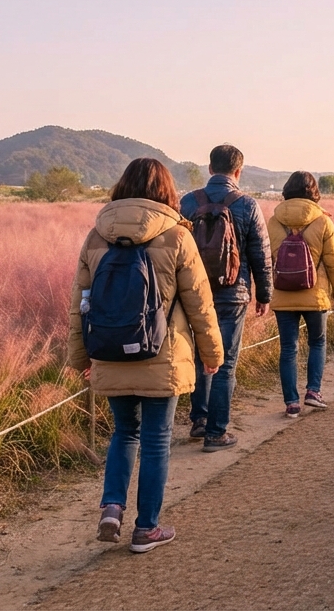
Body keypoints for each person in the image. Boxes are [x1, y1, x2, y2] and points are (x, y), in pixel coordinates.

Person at [67, 157, 224, 553]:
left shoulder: (96, 235)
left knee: (123, 433)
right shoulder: (176, 234)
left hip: (109, 351)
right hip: (163, 355)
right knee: (156, 439)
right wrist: (212, 354)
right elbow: (200, 304)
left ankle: (111, 508)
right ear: (165, 191)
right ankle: (147, 528)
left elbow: (79, 304)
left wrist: (81, 357)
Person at [177, 144, 272, 451]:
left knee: (200, 355)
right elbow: (260, 253)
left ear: (209, 169)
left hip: (194, 294)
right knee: (225, 362)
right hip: (234, 294)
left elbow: (175, 250)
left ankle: (200, 421)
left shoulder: (189, 202)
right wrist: (264, 294)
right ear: (238, 171)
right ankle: (217, 432)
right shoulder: (247, 204)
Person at [267, 171, 334, 418]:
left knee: (288, 349)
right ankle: (313, 392)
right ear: (314, 193)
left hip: (282, 296)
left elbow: (266, 259)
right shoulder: (323, 221)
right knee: (317, 343)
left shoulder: (273, 221)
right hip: (316, 296)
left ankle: (291, 403)